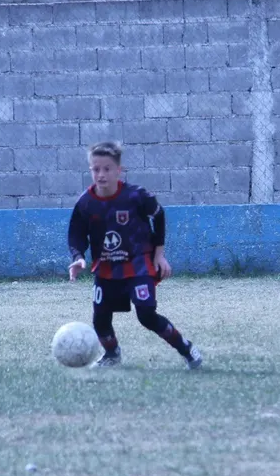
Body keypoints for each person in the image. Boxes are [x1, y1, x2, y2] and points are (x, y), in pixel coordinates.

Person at [67, 140, 202, 370]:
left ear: (119, 170)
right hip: (106, 268)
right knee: (100, 318)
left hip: (138, 265)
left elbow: (159, 217)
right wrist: (78, 257)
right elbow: (76, 234)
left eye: (107, 169)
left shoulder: (137, 196)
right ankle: (111, 354)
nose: (101, 174)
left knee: (147, 315)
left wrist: (159, 255)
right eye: (95, 169)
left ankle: (186, 349)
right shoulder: (86, 203)